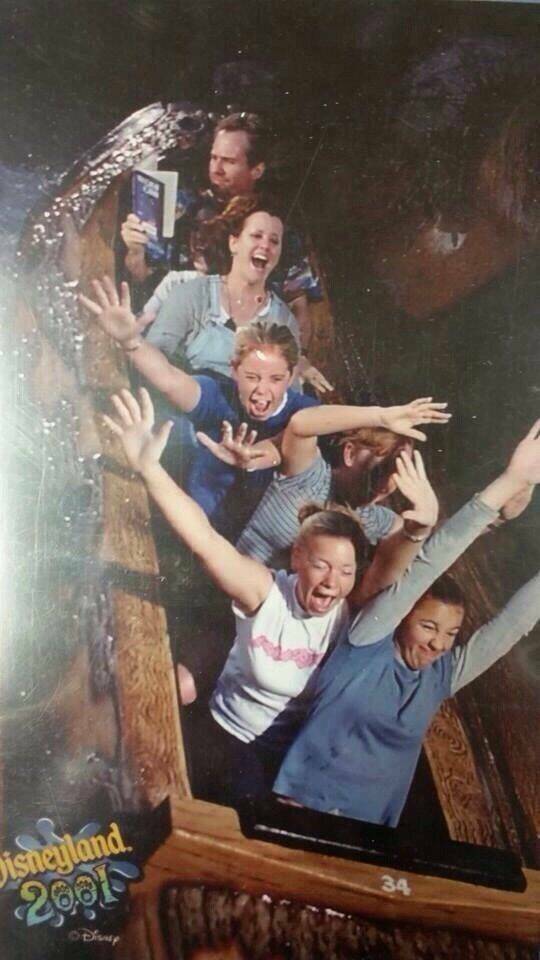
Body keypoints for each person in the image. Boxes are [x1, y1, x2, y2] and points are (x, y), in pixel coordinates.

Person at [102, 387, 450, 802]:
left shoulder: (354, 600)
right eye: (321, 566)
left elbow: (392, 569)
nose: (332, 581)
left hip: (285, 756)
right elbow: (205, 540)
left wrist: (420, 528)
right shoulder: (269, 586)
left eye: (345, 571)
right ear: (297, 559)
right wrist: (150, 470)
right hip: (226, 691)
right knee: (182, 704)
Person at [273, 423, 540, 825]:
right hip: (302, 810)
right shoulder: (365, 643)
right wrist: (510, 481)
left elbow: (511, 626)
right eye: (428, 627)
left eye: (450, 634)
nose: (438, 645)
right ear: (400, 619)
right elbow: (432, 561)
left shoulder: (442, 675)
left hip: (372, 834)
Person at [79, 282, 320, 522]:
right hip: (192, 521)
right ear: (235, 371)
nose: (262, 390)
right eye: (252, 377)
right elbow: (170, 379)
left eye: (275, 379)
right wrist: (131, 342)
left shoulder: (307, 413)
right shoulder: (220, 394)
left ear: (290, 377)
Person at [120, 112, 321, 331]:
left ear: (257, 170)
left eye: (229, 161)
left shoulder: (277, 228)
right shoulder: (183, 206)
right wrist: (136, 251)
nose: (216, 169)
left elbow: (299, 308)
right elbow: (142, 277)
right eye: (214, 158)